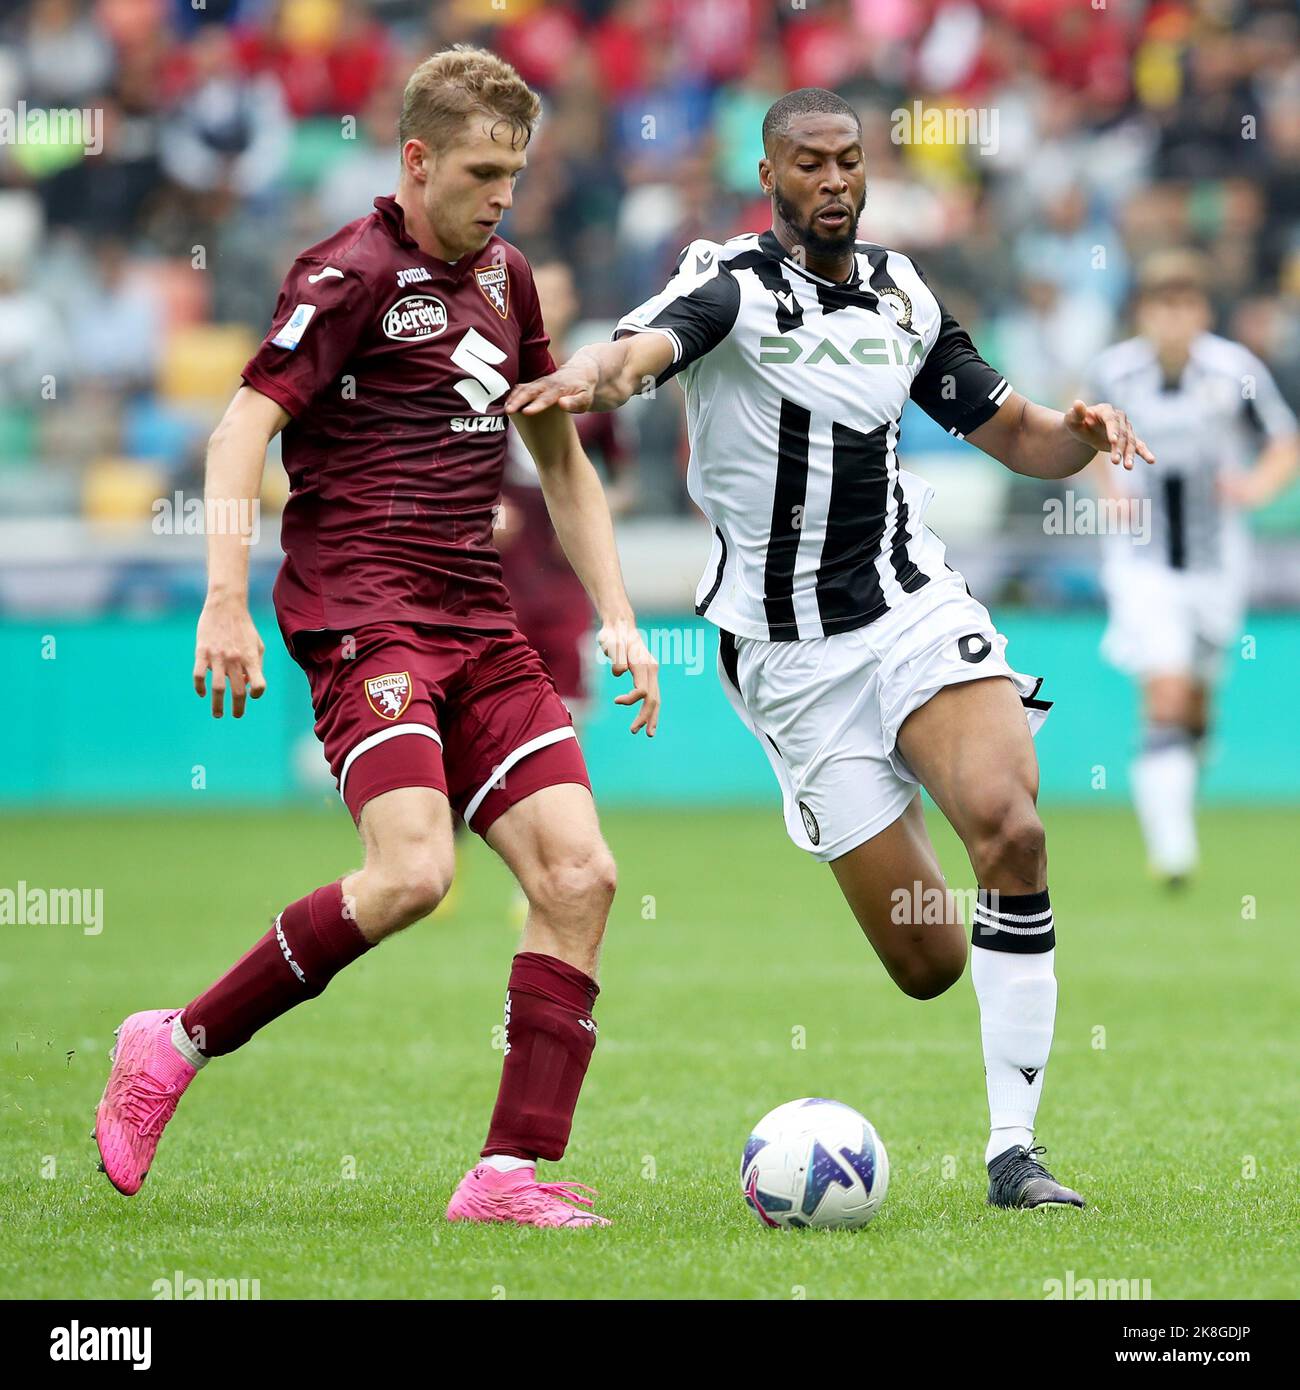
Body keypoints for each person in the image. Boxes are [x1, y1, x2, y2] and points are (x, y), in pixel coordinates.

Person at [508, 87, 1155, 1210]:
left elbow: (1008, 428)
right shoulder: (730, 285)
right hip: (789, 657)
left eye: (849, 161)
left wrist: (1073, 437)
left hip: (910, 606)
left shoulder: (903, 291)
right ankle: (893, 787)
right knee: (928, 962)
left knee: (1010, 825)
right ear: (770, 178)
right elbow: (642, 352)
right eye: (808, 164)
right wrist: (588, 377)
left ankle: (1014, 1152)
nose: (834, 181)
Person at [94, 45, 659, 1230]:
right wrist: (222, 596)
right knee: (413, 872)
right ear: (415, 158)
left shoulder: (509, 280)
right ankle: (172, 1042)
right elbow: (239, 430)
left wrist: (616, 613)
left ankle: (505, 1175)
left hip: (480, 619)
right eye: (479, 170)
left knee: (580, 873)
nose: (502, 194)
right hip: (365, 614)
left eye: (515, 170)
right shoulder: (344, 273)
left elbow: (557, 455)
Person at [1090, 250, 1299, 886]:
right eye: (1161, 305)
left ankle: (1184, 771)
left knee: (1198, 703)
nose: (1173, 318)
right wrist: (1110, 495)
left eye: (1185, 304)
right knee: (1167, 689)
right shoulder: (1114, 373)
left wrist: (1258, 486)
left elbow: (1284, 440)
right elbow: (1082, 438)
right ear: (1143, 313)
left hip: (1217, 564)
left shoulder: (1235, 371)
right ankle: (1173, 850)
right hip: (1142, 563)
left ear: (1202, 311)